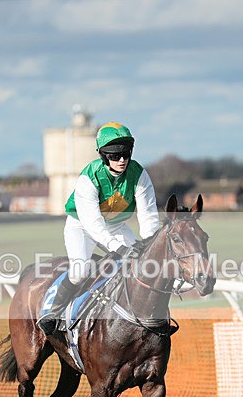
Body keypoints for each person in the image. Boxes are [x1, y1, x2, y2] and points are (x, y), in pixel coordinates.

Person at [37, 122, 160, 335]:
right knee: (80, 271)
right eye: (114, 155)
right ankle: (52, 313)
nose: (121, 160)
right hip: (81, 226)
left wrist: (152, 247)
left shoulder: (139, 174)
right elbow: (93, 223)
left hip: (115, 226)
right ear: (103, 156)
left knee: (144, 263)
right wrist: (116, 247)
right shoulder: (89, 177)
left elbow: (148, 217)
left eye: (125, 154)